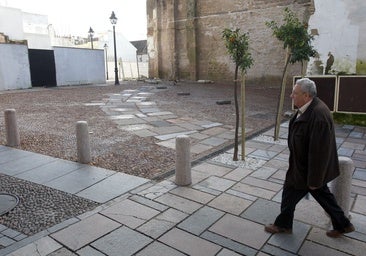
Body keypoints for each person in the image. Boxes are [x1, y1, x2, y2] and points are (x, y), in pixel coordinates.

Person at [264, 78, 355, 238]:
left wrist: (314, 180)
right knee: (306, 194)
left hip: (309, 171)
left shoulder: (318, 116)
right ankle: (343, 224)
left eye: (295, 93)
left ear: (306, 95)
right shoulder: (307, 108)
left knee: (302, 193)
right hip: (302, 167)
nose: (291, 96)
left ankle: (283, 225)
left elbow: (320, 152)